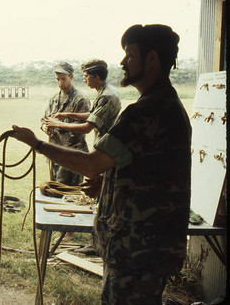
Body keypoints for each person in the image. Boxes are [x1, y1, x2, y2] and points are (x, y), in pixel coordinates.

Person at [11, 24, 191, 304]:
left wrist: (36, 143)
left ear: (152, 59)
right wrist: (108, 180)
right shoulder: (165, 105)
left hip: (137, 247)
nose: (122, 63)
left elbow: (92, 164)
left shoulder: (147, 111)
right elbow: (144, 168)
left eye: (130, 55)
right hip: (147, 244)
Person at [51, 59, 121, 255]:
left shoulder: (107, 96)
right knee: (100, 199)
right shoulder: (104, 93)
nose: (85, 79)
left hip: (107, 154)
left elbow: (87, 127)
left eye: (86, 76)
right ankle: (98, 241)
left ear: (96, 77)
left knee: (102, 200)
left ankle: (99, 244)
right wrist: (66, 115)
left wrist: (60, 124)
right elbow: (91, 115)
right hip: (105, 151)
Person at [41, 61, 90, 186]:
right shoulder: (54, 99)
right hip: (55, 152)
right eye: (57, 79)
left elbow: (82, 128)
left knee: (69, 194)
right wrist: (45, 127)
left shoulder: (80, 99)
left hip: (73, 155)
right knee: (55, 189)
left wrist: (57, 124)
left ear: (71, 77)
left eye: (63, 79)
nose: (60, 83)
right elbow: (44, 119)